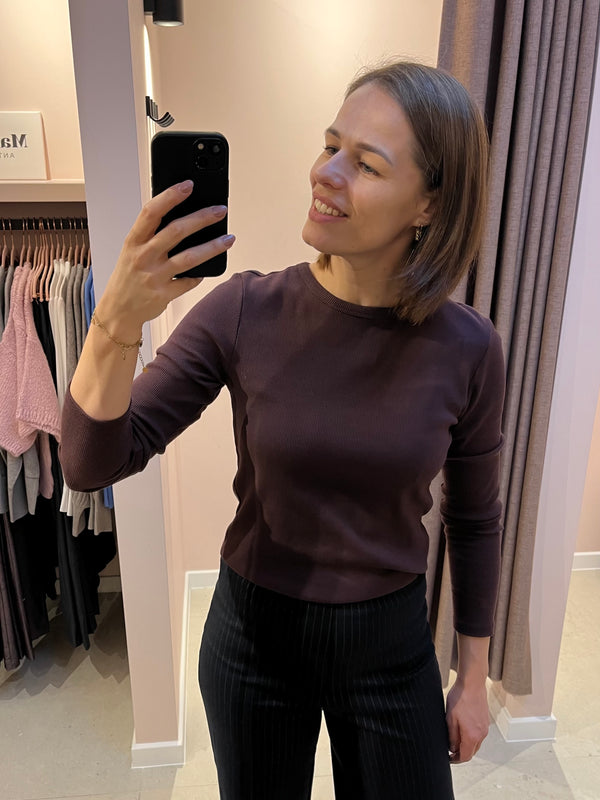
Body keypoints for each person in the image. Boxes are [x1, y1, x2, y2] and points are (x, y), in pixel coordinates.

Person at [60, 60, 505, 800]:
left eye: (365, 164)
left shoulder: (469, 347)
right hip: (254, 641)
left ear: (429, 204)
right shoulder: (245, 311)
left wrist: (473, 674)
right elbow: (91, 461)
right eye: (330, 146)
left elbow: (476, 516)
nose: (325, 173)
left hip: (391, 644)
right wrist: (115, 319)